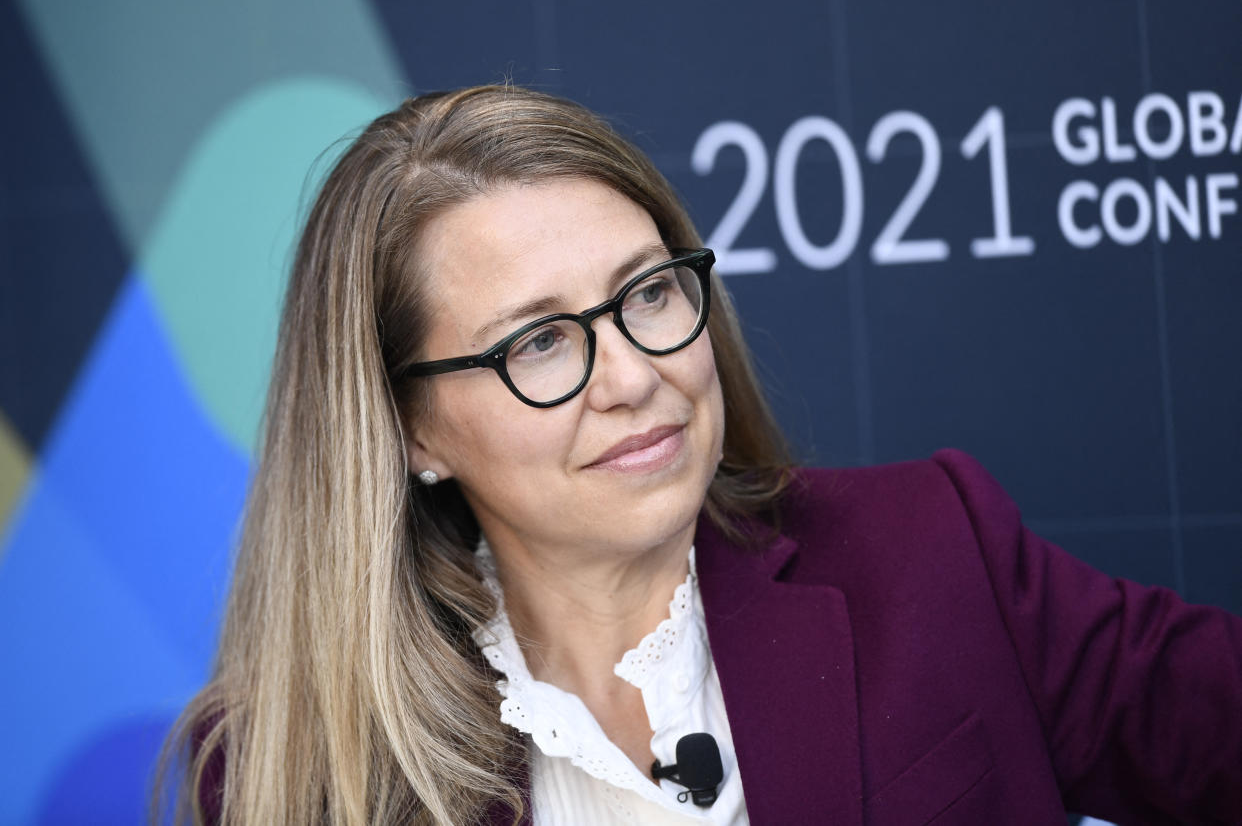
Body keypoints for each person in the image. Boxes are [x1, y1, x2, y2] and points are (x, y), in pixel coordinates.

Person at [160, 85, 1242, 825]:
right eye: (540, 342)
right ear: (410, 430)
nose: (634, 375)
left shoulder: (927, 550)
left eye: (647, 294)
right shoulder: (281, 764)